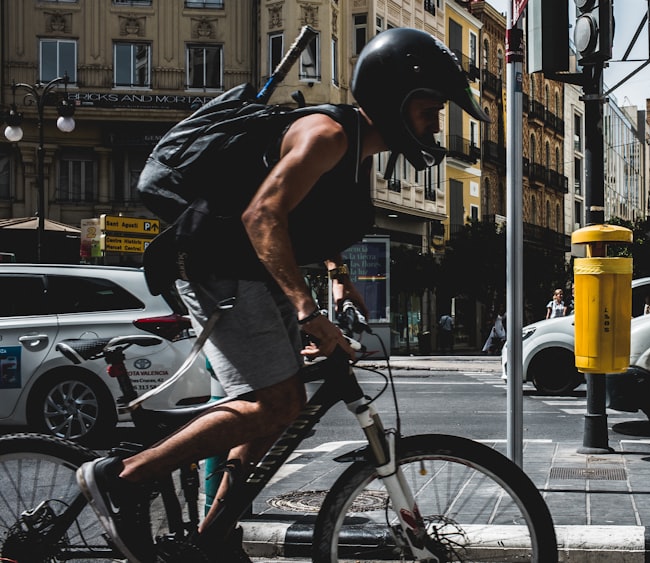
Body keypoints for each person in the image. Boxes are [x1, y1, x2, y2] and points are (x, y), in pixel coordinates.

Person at [75, 28, 490, 563]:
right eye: (429, 110)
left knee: (281, 404)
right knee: (276, 401)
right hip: (215, 264)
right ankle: (125, 478)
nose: (434, 124)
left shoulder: (355, 149)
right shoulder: (327, 136)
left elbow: (308, 220)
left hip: (245, 267)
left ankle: (215, 530)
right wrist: (308, 312)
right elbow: (263, 215)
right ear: (395, 98)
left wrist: (338, 276)